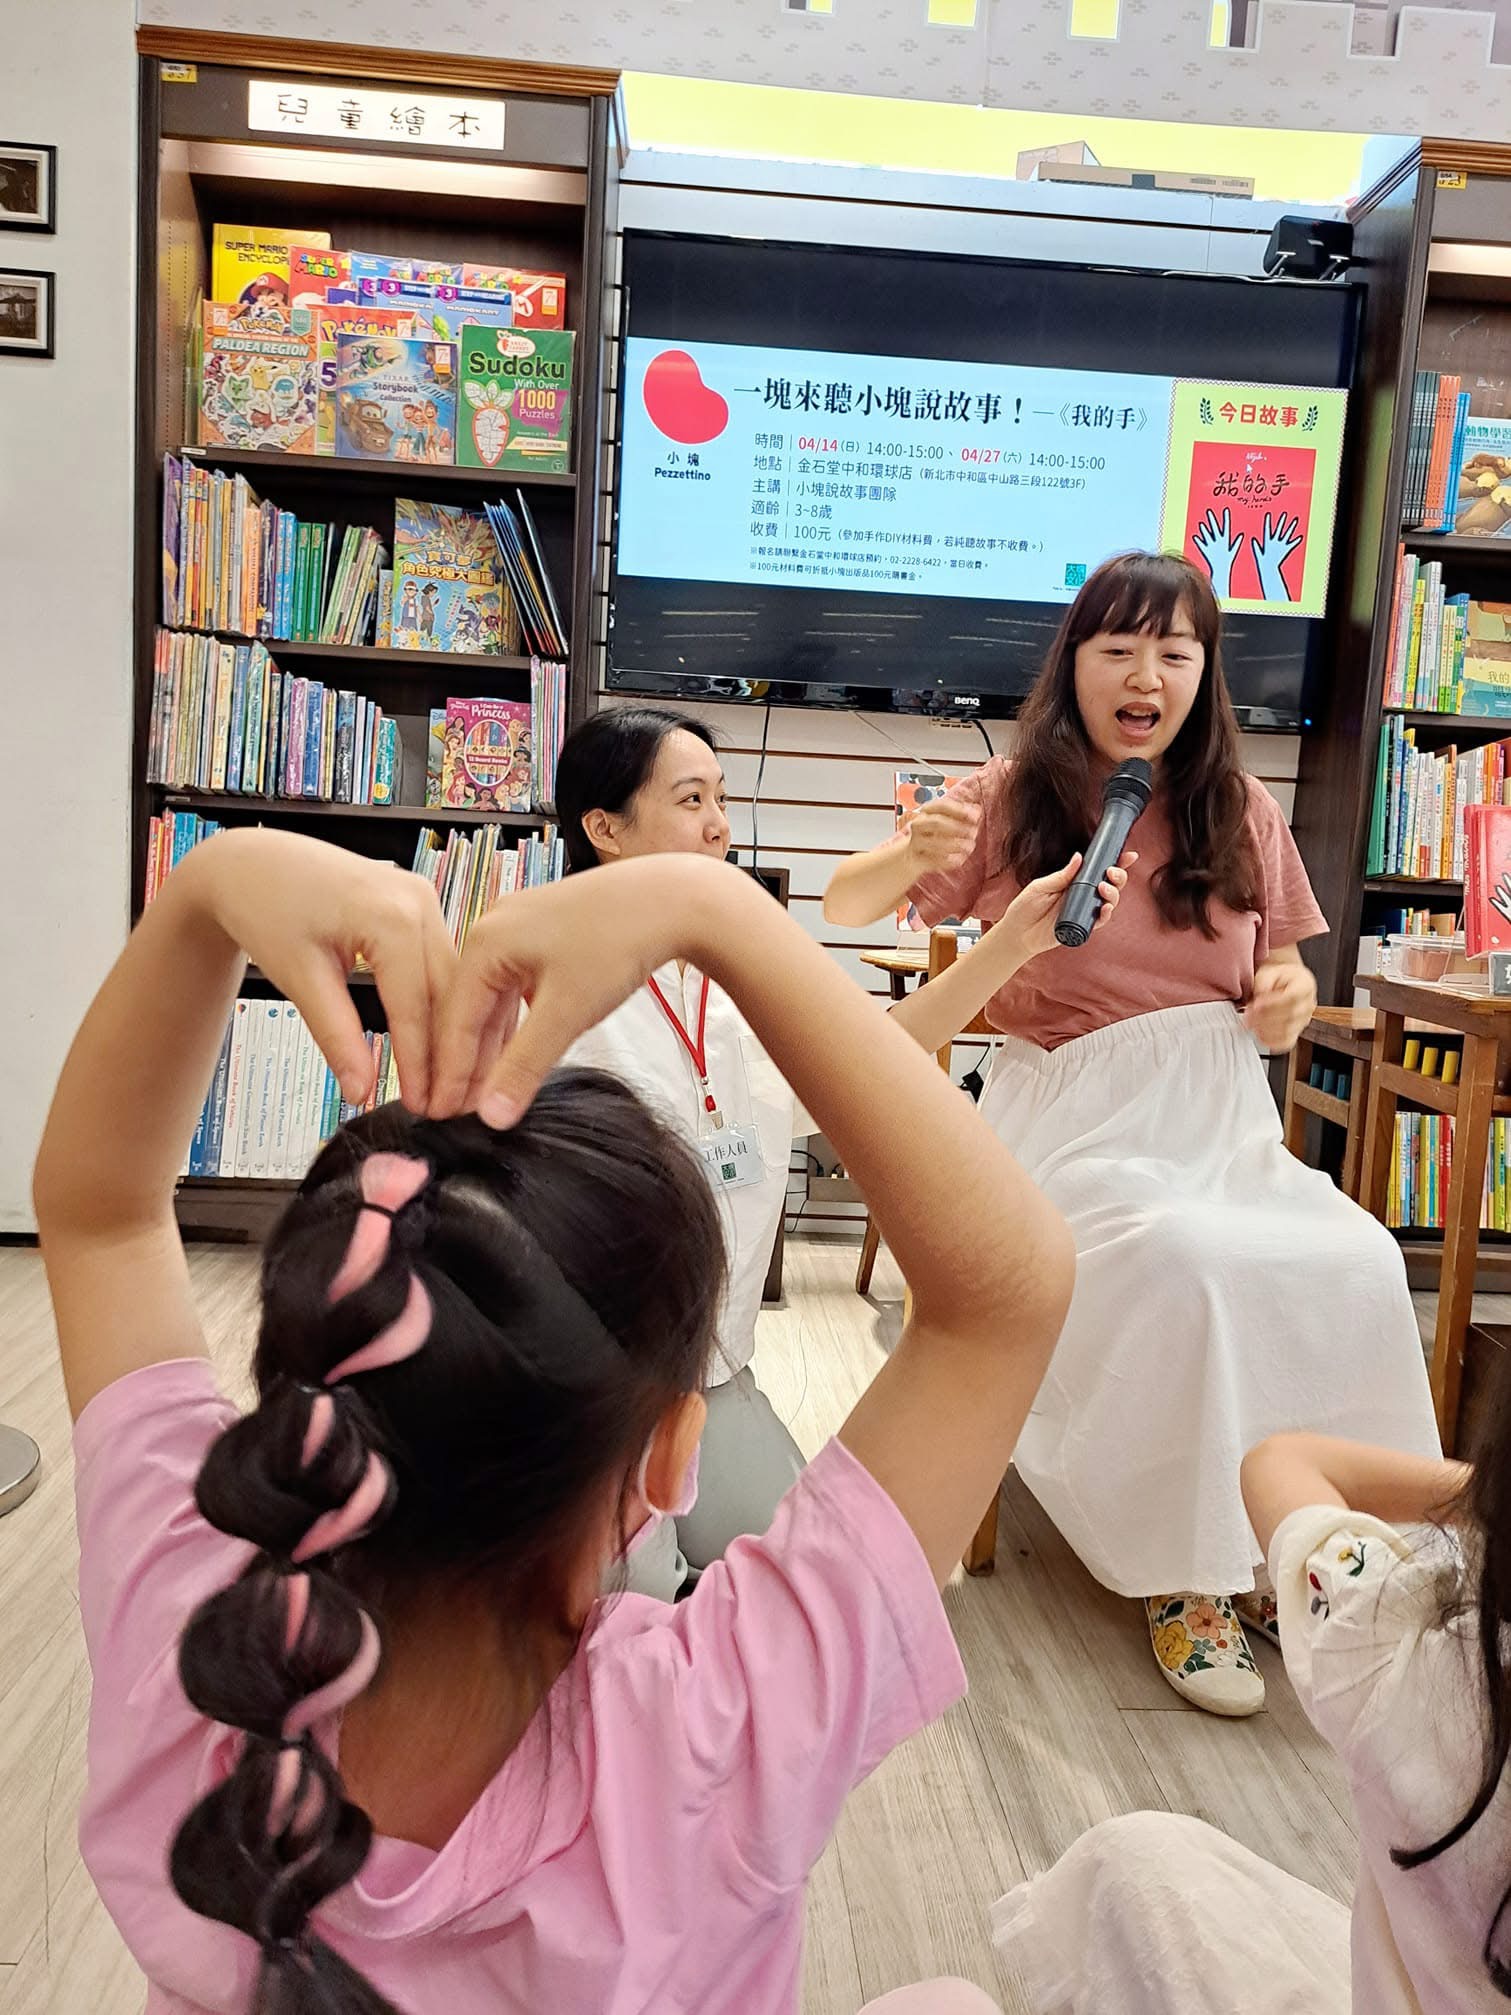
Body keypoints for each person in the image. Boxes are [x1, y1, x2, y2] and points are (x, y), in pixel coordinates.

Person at [34, 826, 1069, 2014]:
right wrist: (717, 910)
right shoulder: (708, 1731)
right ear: (670, 1456)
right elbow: (1005, 1294)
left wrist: (205, 889)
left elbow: (103, 1213)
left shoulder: (190, 1629)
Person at [823, 550, 1440, 1716]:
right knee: (1183, 1262)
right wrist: (909, 852)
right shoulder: (1012, 792)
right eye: (1117, 648)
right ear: (1075, 664)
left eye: (1173, 650)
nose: (1144, 674)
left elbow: (1281, 972)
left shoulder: (1239, 807)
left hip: (1219, 1122)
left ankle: (1304, 1545)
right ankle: (1185, 1571)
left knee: (1358, 1257)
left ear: (1205, 672)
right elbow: (846, 903)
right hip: (1070, 1121)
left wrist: (1283, 999)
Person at [990, 1411, 1502, 2014]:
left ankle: (1240, 1572)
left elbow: (1284, 1462)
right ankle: (1244, 1571)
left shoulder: (1415, 1663)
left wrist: (1490, 1493)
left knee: (1136, 1862)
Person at [548, 706, 806, 1599]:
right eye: (691, 799)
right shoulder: (553, 974)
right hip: (585, 1389)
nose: (719, 826)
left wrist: (1012, 945)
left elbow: (866, 1067)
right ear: (605, 828)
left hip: (708, 1373)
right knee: (627, 1610)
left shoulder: (737, 973)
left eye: (721, 800)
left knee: (797, 1579)